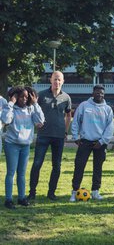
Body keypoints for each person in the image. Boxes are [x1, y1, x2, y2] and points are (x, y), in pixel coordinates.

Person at [28, 71, 72, 201]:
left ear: (63, 81)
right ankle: (32, 192)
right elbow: (32, 110)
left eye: (59, 79)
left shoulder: (66, 97)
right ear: (50, 80)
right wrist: (36, 122)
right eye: (55, 79)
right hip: (43, 135)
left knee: (56, 166)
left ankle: (51, 192)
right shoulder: (41, 95)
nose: (57, 82)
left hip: (58, 136)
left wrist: (65, 131)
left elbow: (68, 115)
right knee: (37, 164)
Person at [1, 86, 44, 209]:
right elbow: (5, 119)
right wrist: (11, 103)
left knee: (22, 174)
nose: (24, 99)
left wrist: (35, 103)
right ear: (15, 97)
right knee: (11, 173)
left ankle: (21, 198)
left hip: (25, 146)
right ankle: (8, 200)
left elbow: (40, 120)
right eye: (21, 97)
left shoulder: (30, 109)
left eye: (26, 97)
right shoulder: (11, 108)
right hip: (12, 145)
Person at [69, 85, 114, 201]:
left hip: (100, 143)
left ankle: (95, 191)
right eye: (97, 92)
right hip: (85, 141)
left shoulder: (107, 109)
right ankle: (74, 192)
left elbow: (110, 127)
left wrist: (103, 141)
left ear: (104, 95)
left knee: (98, 167)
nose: (100, 95)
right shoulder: (84, 105)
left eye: (102, 93)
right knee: (79, 166)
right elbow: (76, 121)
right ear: (93, 93)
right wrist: (75, 136)